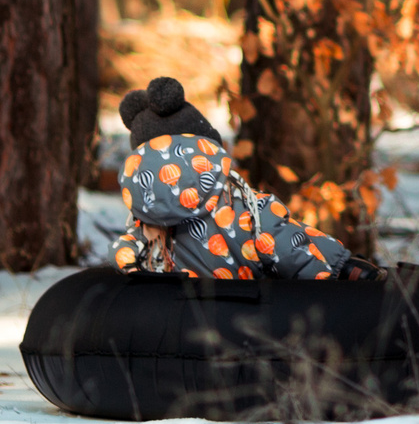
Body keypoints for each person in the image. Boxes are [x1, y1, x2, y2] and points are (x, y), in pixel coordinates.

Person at [104, 78, 378, 281]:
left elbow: (124, 254)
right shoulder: (243, 208)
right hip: (244, 312)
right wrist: (337, 269)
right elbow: (288, 245)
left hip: (187, 320)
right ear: (211, 153)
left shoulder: (145, 224)